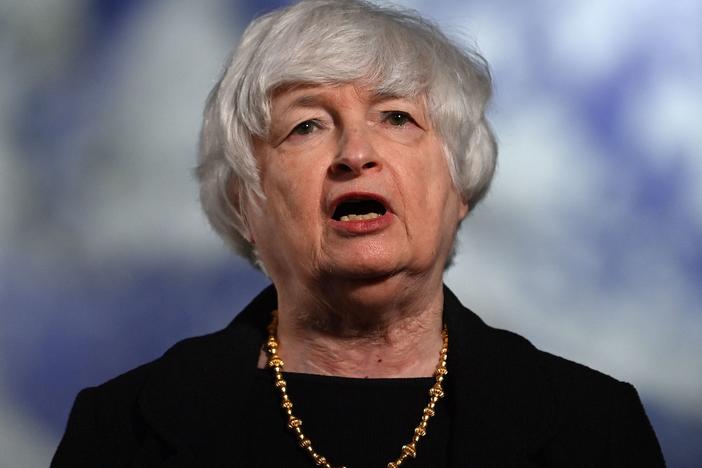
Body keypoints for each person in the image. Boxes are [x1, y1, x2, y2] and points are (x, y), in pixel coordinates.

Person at [52, 0, 666, 466]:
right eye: (307, 126)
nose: (356, 152)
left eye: (397, 117)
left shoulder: (596, 427)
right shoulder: (120, 431)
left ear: (459, 189)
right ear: (245, 204)